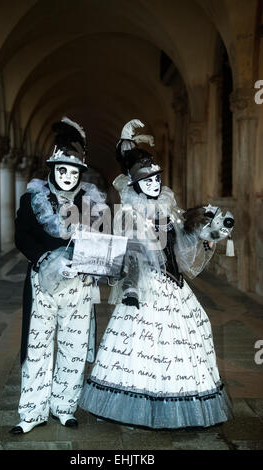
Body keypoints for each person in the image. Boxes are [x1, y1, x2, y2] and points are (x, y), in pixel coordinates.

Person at [79, 119, 233, 429]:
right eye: (147, 181)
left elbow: (183, 243)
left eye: (156, 179)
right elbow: (128, 253)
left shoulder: (169, 209)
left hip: (174, 288)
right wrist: (131, 286)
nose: (154, 184)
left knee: (191, 333)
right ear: (135, 184)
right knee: (143, 346)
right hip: (145, 289)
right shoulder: (129, 214)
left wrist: (211, 230)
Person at [10, 117, 106, 434]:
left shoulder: (91, 202)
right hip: (43, 284)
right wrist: (43, 258)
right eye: (62, 170)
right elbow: (22, 236)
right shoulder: (33, 198)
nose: (67, 177)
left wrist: (93, 259)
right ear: (52, 168)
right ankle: (32, 412)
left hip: (80, 285)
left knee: (74, 347)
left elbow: (100, 238)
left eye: (74, 171)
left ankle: (64, 407)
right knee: (37, 348)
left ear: (81, 173)